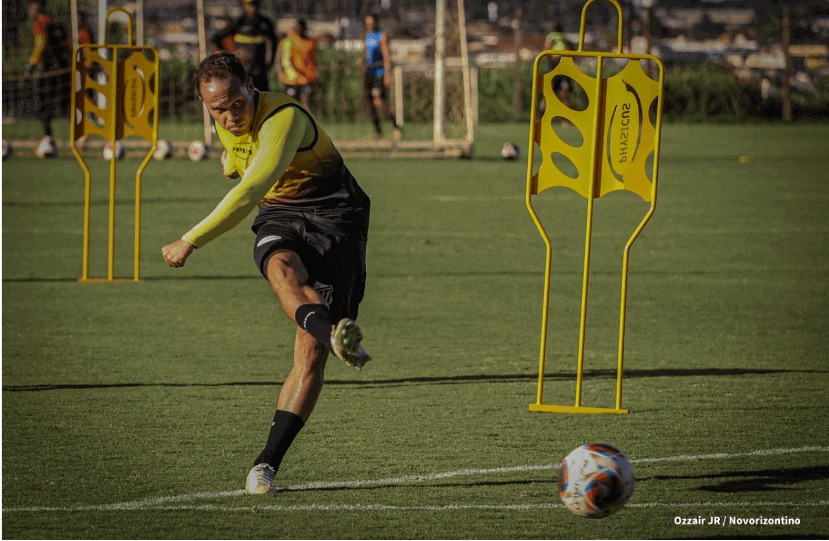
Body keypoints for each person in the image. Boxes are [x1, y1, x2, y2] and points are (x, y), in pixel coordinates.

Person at [161, 52, 371, 494]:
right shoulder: (224, 122)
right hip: (280, 215)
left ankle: (269, 458)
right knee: (280, 268)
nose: (230, 116)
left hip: (337, 221)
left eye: (237, 103)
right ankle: (264, 470)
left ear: (250, 87)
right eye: (218, 109)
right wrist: (230, 161)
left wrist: (191, 238)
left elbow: (253, 185)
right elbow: (244, 165)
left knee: (309, 355)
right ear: (206, 105)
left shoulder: (285, 117)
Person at [25, 0, 72, 140]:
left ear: (36, 9)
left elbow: (40, 45)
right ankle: (78, 137)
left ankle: (48, 138)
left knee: (43, 104)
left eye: (31, 9)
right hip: (65, 70)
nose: (30, 12)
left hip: (49, 71)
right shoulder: (59, 22)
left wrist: (30, 67)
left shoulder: (39, 24)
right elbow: (69, 45)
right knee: (67, 104)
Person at [212, 0, 277, 91]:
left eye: (255, 4)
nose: (253, 8)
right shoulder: (238, 23)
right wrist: (231, 54)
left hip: (260, 73)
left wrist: (270, 63)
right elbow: (216, 38)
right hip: (242, 72)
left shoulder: (265, 23)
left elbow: (274, 42)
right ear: (244, 4)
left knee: (263, 99)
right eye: (250, 5)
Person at [362, 13, 402, 140]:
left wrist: (387, 74)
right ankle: (378, 132)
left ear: (376, 22)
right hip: (369, 72)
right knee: (369, 102)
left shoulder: (381, 36)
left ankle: (396, 126)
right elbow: (367, 53)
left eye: (371, 23)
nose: (369, 25)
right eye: (367, 23)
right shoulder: (367, 36)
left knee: (380, 101)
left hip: (379, 72)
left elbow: (386, 56)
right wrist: (361, 60)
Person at [276, 20, 318, 109]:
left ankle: (306, 121)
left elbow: (314, 60)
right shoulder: (288, 42)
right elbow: (279, 60)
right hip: (291, 78)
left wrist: (317, 73)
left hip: (307, 77)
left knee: (306, 102)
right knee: (291, 103)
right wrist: (280, 73)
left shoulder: (311, 42)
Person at [540, 26, 574, 124]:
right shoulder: (566, 37)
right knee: (565, 94)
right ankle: (565, 121)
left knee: (547, 93)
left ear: (553, 30)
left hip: (554, 65)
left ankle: (542, 118)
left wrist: (550, 57)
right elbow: (572, 50)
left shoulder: (551, 35)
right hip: (565, 65)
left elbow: (546, 48)